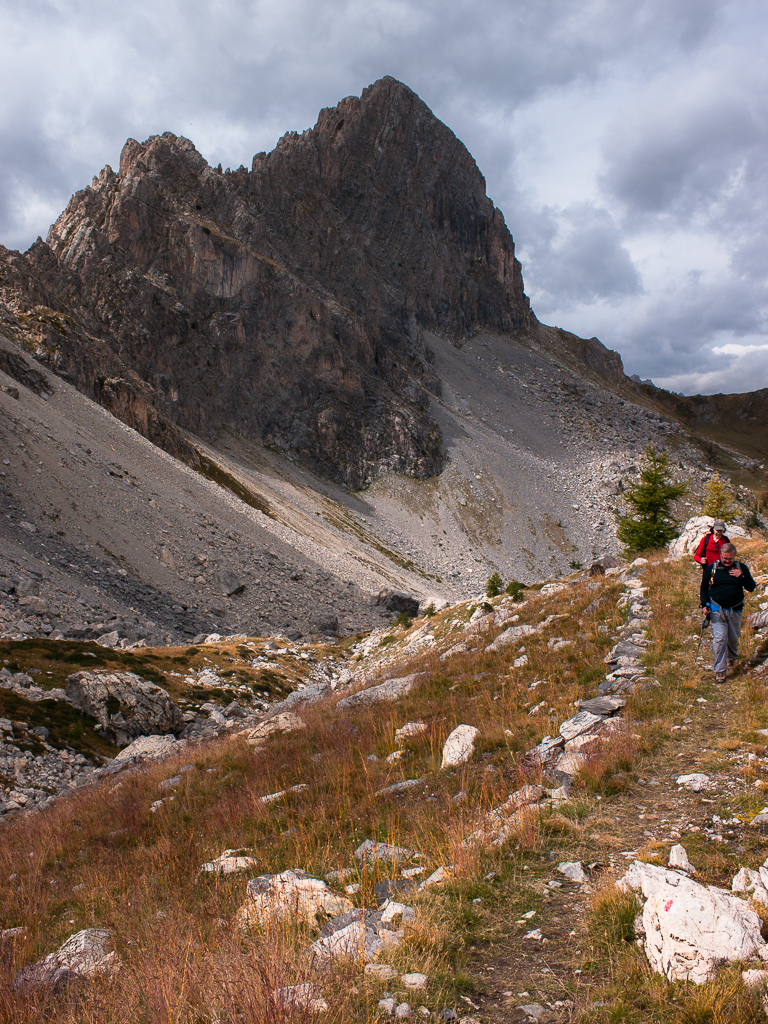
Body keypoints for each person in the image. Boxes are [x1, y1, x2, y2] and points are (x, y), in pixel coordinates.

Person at [700, 542, 756, 681]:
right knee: (720, 639)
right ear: (720, 556)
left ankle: (731, 658)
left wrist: (741, 577)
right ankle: (720, 671)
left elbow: (751, 587)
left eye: (729, 558)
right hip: (716, 609)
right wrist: (704, 605)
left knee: (732, 638)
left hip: (735, 610)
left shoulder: (741, 568)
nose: (727, 561)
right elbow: (704, 587)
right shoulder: (712, 568)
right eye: (725, 558)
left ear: (734, 556)